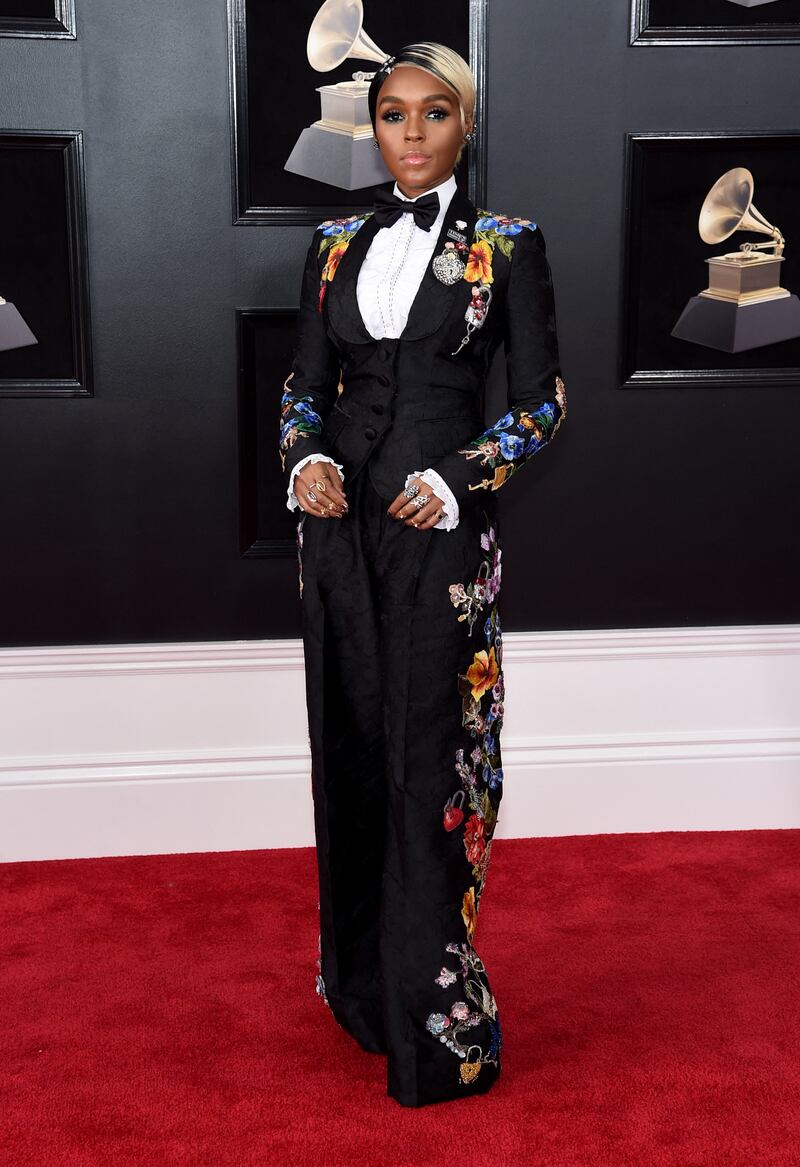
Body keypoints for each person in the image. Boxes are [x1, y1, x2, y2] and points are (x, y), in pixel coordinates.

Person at [278, 42, 568, 1108]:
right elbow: (302, 386)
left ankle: (438, 1024)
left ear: (464, 125)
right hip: (340, 526)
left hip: (440, 525)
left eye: (431, 113)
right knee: (351, 741)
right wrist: (305, 460)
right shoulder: (327, 242)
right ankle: (360, 992)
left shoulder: (507, 245)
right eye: (391, 113)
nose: (408, 132)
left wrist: (456, 479)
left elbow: (539, 404)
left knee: (430, 759)